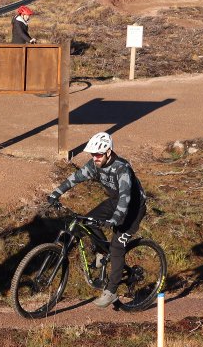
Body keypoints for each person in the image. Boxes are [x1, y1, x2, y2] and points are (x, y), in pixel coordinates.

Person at [47, 132, 146, 309]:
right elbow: (75, 178)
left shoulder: (122, 169)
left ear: (108, 152)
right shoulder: (94, 165)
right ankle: (102, 250)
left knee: (117, 246)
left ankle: (111, 291)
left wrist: (116, 219)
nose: (95, 158)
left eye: (98, 154)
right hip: (115, 202)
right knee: (87, 221)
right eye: (93, 154)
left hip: (133, 208)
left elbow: (125, 197)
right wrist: (56, 193)